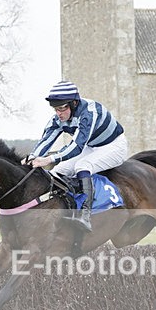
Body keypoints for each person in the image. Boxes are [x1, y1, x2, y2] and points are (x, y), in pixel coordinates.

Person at [26, 81, 129, 232]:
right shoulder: (58, 119)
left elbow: (77, 146)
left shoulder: (89, 113)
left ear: (74, 104)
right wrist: (32, 157)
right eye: (56, 109)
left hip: (114, 146)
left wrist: (48, 159)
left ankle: (85, 216)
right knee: (58, 170)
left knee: (83, 166)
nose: (58, 113)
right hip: (92, 146)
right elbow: (46, 140)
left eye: (62, 108)